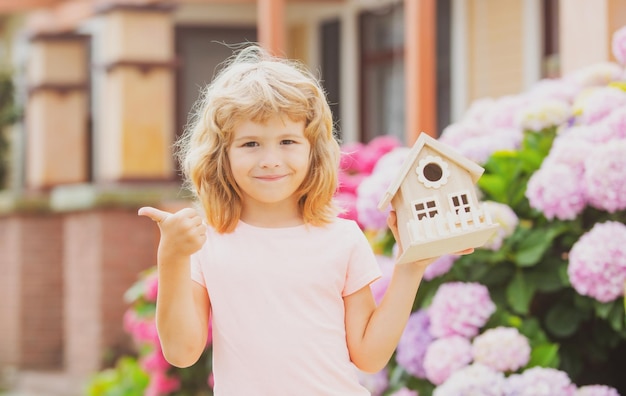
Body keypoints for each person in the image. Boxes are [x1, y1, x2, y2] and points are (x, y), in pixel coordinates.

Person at [138, 45, 472, 395]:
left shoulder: (342, 238)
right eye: (250, 143)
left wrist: (410, 267)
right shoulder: (208, 242)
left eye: (287, 141)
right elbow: (181, 352)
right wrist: (172, 257)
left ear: (314, 151)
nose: (270, 159)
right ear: (221, 156)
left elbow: (369, 357)